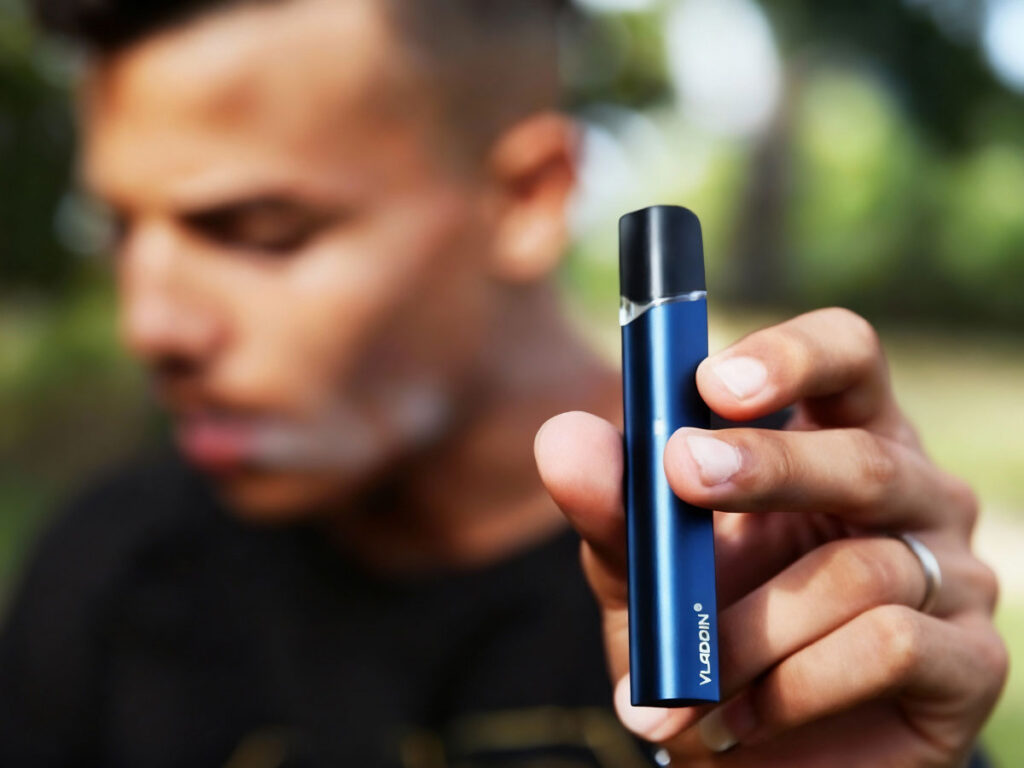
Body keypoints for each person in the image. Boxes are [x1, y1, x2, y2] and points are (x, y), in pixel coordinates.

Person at [1, 0, 1006, 766]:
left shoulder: (769, 555)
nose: (151, 324)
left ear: (527, 197)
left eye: (261, 232)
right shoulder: (109, 571)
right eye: (119, 230)